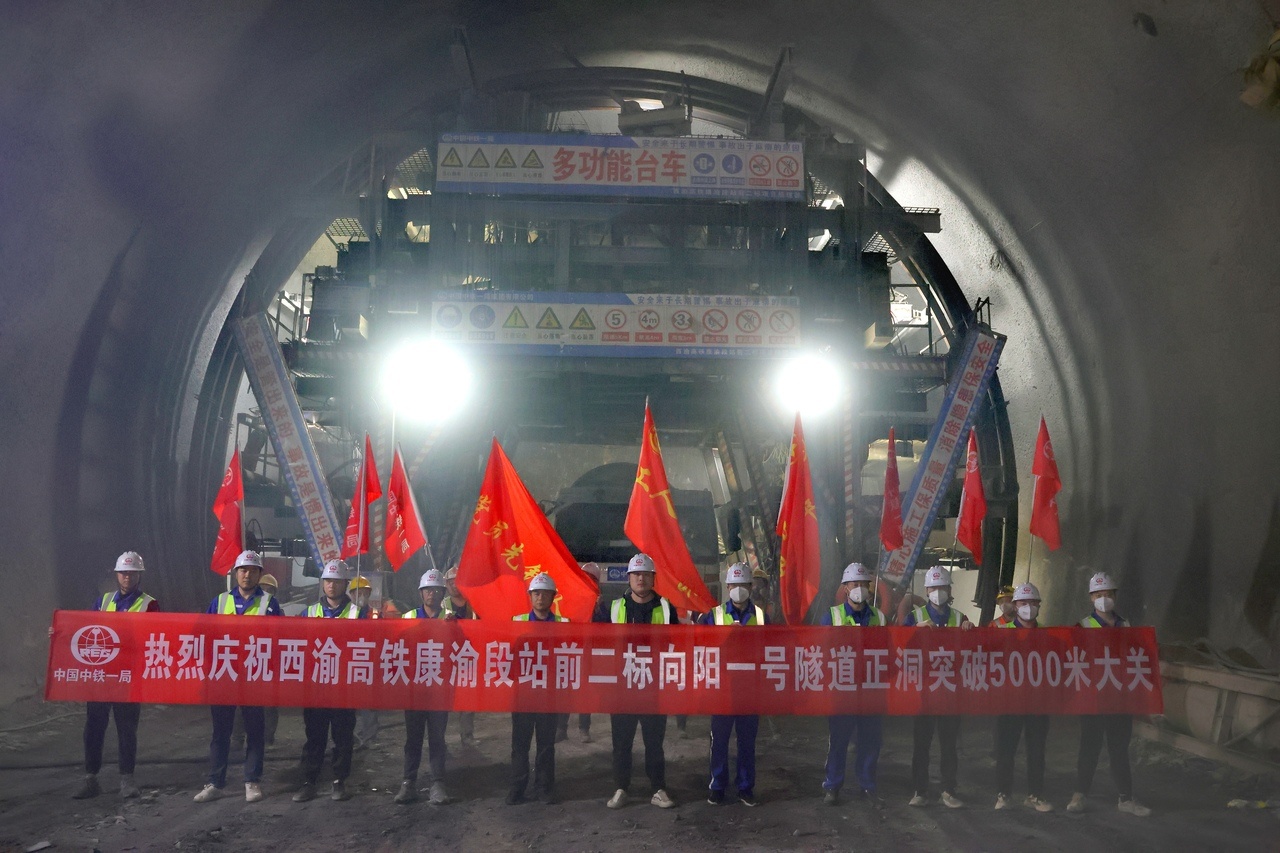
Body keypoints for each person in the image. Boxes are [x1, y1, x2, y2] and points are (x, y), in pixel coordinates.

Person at [195, 550, 282, 804]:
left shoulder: (270, 604)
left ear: (259, 574)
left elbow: (281, 638)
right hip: (225, 674)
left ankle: (252, 781)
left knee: (255, 730)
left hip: (254, 675)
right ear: (235, 574)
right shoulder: (219, 602)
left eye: (253, 570)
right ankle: (215, 782)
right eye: (243, 570)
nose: (247, 575)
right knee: (221, 732)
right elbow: (204, 635)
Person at [73, 551, 159, 800]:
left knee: (126, 728)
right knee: (94, 727)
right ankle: (91, 778)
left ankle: (126, 780)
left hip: (129, 676)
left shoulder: (149, 604)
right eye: (123, 573)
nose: (127, 577)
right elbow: (84, 629)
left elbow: (157, 637)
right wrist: (59, 632)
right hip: (101, 675)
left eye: (132, 573)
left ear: (139, 576)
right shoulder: (103, 601)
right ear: (116, 575)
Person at [1067, 572, 1151, 817]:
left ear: (1115, 596)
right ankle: (1079, 795)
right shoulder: (1082, 626)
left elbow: (1137, 656)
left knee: (1119, 749)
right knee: (1089, 748)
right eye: (1098, 595)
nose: (1103, 599)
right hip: (1093, 698)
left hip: (1119, 698)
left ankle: (1126, 798)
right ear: (1091, 598)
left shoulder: (1126, 625)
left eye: (1107, 594)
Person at [598, 554, 677, 810]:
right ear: (629, 578)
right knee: (621, 742)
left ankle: (658, 789)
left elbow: (677, 645)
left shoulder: (667, 608)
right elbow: (596, 640)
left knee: (654, 742)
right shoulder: (613, 608)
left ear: (653, 578)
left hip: (654, 686)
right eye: (636, 574)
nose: (640, 578)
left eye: (645, 574)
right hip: (623, 686)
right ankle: (621, 788)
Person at [292, 559, 368, 803]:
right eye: (327, 581)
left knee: (343, 737)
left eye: (336, 581)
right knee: (314, 736)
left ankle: (339, 781)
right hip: (316, 686)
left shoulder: (358, 614)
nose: (331, 586)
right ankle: (309, 782)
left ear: (345, 584)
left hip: (344, 686)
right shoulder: (309, 612)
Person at [904, 565, 973, 809]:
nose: (938, 591)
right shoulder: (914, 617)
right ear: (926, 590)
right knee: (921, 744)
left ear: (949, 590)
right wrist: (914, 631)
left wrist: (970, 631)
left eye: (942, 587)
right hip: (924, 691)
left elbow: (972, 650)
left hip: (950, 691)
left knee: (948, 745)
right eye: (933, 587)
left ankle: (948, 790)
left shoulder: (959, 618)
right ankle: (920, 791)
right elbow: (899, 645)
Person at [700, 562, 769, 806]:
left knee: (747, 742)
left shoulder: (761, 616)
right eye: (734, 585)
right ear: (727, 586)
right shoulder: (714, 615)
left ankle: (745, 787)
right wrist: (724, 636)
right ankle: (717, 786)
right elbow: (699, 645)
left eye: (744, 585)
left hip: (750, 688)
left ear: (751, 586)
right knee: (718, 741)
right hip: (723, 688)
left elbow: (771, 648)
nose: (739, 589)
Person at [819, 562, 885, 807]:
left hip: (871, 689)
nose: (859, 588)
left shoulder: (879, 617)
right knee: (838, 741)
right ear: (845, 588)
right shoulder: (832, 616)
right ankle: (832, 786)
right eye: (854, 584)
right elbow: (821, 651)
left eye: (863, 584)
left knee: (871, 740)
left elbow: (889, 650)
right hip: (842, 690)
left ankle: (868, 785)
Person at [994, 581, 1053, 812]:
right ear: (1015, 606)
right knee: (1005, 751)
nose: (1028, 607)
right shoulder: (1001, 633)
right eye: (1023, 603)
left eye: (1032, 602)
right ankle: (1003, 794)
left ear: (1039, 605)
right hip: (1009, 701)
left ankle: (1034, 795)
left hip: (1038, 702)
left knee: (1037, 750)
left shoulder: (1048, 634)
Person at [395, 568, 452, 806]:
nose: (431, 593)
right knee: (413, 739)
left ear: (442, 594)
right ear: (421, 593)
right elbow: (396, 647)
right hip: (415, 689)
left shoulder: (450, 619)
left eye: (436, 590)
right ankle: (408, 783)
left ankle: (438, 783)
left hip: (439, 690)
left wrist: (454, 628)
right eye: (427, 590)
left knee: (437, 738)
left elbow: (462, 649)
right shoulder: (408, 618)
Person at [508, 573, 565, 805]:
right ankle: (517, 788)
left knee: (546, 745)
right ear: (530, 596)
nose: (540, 598)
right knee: (519, 745)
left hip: (549, 695)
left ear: (553, 597)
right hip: (523, 694)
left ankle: (544, 788)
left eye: (545, 593)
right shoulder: (517, 622)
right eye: (536, 593)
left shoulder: (564, 625)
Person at [442, 565, 479, 746]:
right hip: (448, 657)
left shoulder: (474, 604)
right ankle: (440, 736)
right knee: (444, 699)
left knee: (468, 698)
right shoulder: (443, 605)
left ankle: (467, 735)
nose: (454, 585)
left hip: (469, 657)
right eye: (450, 582)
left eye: (456, 581)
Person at [348, 575, 381, 749]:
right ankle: (351, 736)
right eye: (357, 592)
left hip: (368, 663)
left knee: (368, 703)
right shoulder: (346, 613)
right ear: (351, 594)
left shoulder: (374, 614)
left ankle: (369, 737)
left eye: (364, 592)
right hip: (348, 664)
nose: (361, 595)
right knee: (348, 704)